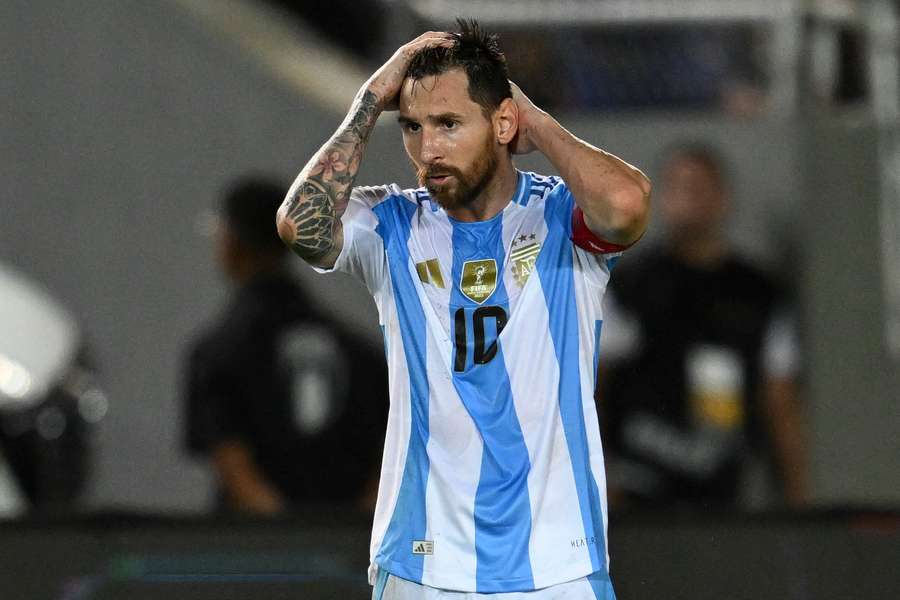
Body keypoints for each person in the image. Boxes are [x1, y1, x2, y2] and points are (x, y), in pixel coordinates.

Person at [276, 20, 651, 599]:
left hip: (556, 565)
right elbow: (299, 225)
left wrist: (537, 122)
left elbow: (627, 206)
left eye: (449, 124)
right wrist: (370, 99)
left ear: (502, 122)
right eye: (412, 128)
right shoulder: (392, 225)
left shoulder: (560, 219)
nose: (428, 151)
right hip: (422, 566)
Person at [598, 143, 806, 510]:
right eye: (677, 189)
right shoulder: (631, 285)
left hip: (720, 488)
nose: (687, 202)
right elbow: (596, 383)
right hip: (636, 485)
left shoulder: (759, 293)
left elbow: (779, 400)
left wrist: (796, 496)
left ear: (723, 199)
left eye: (698, 189)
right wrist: (595, 476)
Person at [184, 176, 387, 515]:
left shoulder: (216, 353)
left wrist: (289, 543)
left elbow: (235, 471)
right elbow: (384, 466)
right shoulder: (360, 352)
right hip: (350, 557)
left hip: (254, 559)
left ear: (230, 243)